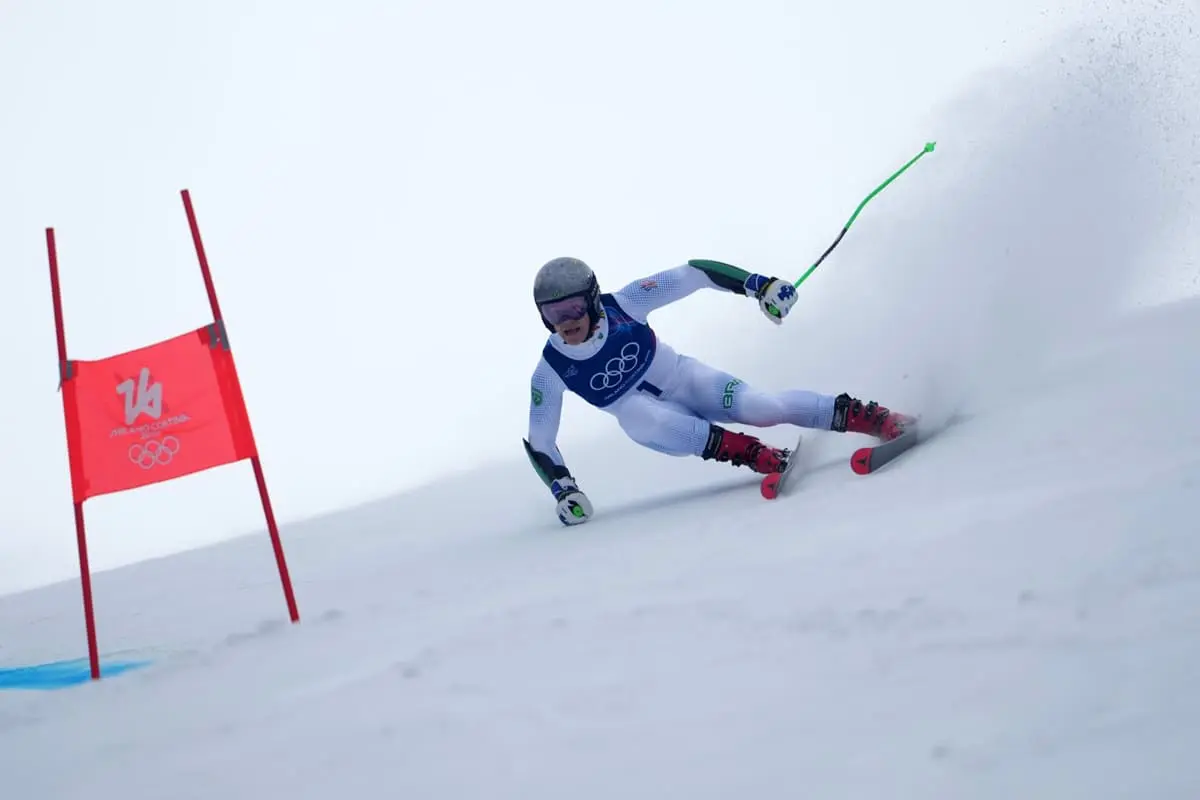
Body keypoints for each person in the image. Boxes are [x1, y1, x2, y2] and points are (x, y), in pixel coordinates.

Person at [523, 256, 914, 526]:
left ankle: (878, 419)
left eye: (572, 309)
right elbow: (541, 439)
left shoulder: (626, 303)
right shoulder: (551, 370)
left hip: (685, 378)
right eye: (552, 314)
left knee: (763, 407)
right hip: (655, 424)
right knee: (641, 414)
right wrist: (565, 491)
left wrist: (758, 285)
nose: (565, 322)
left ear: (591, 300)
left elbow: (693, 273)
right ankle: (760, 457)